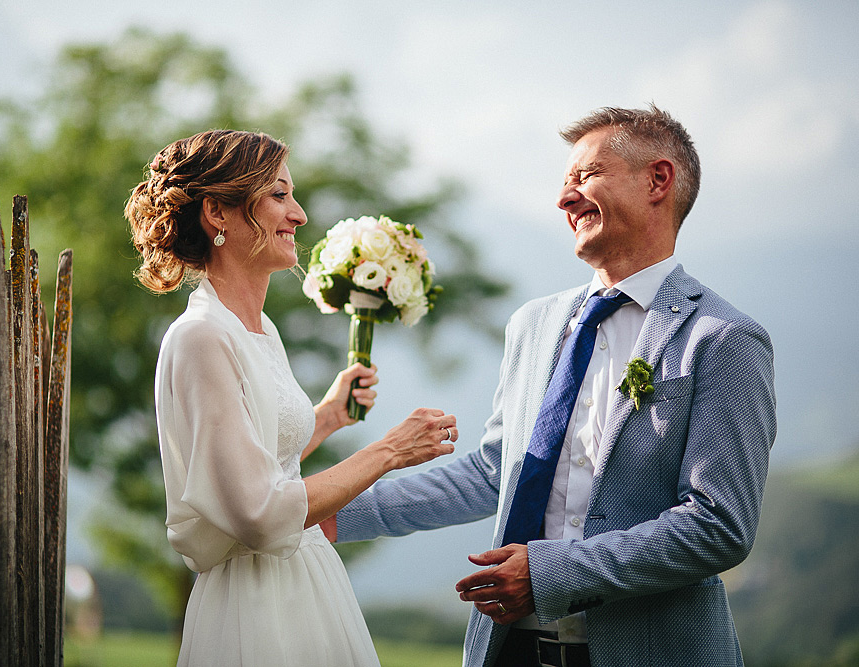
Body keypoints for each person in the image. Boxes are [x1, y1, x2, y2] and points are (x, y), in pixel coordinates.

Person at [328, 106, 776, 667]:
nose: (565, 200)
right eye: (564, 184)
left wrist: (549, 574)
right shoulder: (533, 324)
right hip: (509, 652)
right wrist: (333, 511)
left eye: (585, 177)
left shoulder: (724, 338)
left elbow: (718, 526)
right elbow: (496, 473)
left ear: (658, 180)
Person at [125, 129, 459, 667]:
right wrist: (389, 452)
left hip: (309, 582)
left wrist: (325, 417)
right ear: (217, 212)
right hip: (253, 606)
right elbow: (257, 513)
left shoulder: (261, 330)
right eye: (279, 195)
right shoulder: (201, 337)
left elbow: (250, 469)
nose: (300, 215)